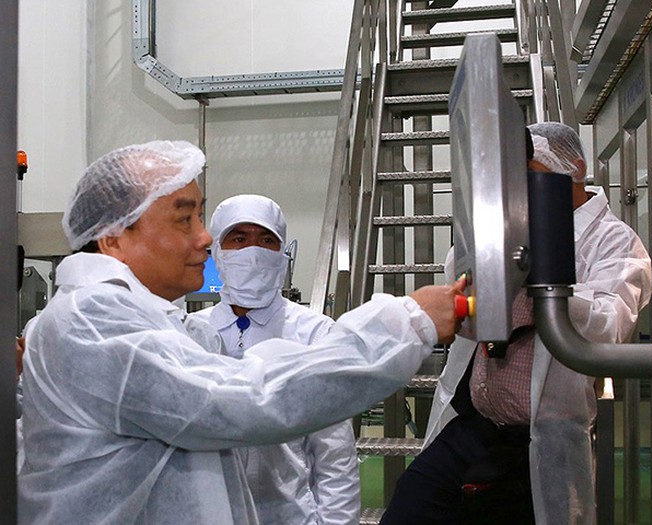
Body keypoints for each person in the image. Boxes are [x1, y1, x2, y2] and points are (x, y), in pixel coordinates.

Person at [17, 140, 464, 525]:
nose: (204, 238)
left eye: (202, 218)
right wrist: (406, 323)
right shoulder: (94, 320)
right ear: (113, 238)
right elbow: (245, 400)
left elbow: (324, 450)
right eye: (184, 219)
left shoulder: (152, 320)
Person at [379, 122, 652, 524]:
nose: (518, 185)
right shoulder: (510, 226)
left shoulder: (614, 241)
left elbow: (608, 326)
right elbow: (460, 284)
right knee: (410, 508)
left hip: (542, 440)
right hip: (474, 427)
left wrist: (540, 275)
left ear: (574, 169)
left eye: (530, 171)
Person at [191, 194, 361, 525]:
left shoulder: (315, 333)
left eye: (267, 240)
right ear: (218, 253)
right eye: (239, 239)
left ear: (282, 255)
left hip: (290, 515)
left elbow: (335, 454)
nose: (253, 252)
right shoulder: (193, 333)